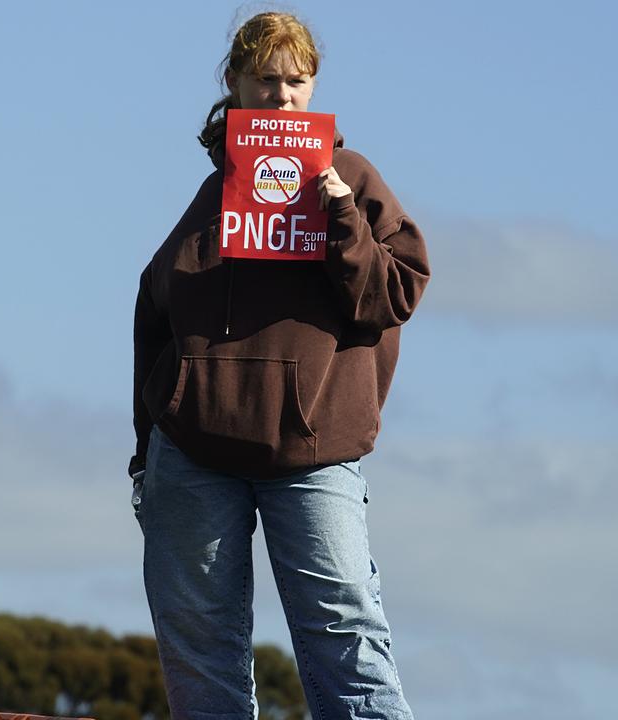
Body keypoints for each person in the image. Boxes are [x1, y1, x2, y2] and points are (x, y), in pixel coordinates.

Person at [129, 11, 429, 720]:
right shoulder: (208, 199)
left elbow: (393, 293)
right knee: (200, 646)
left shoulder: (353, 178)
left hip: (315, 451)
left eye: (298, 81)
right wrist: (149, 449)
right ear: (234, 85)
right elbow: (154, 312)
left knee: (346, 635)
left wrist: (342, 218)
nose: (284, 96)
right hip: (194, 454)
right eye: (267, 80)